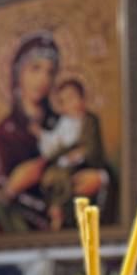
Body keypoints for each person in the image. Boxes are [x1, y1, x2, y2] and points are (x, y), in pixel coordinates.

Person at [0, 32, 110, 234]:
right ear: (17, 73)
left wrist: (101, 179)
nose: (43, 79)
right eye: (35, 69)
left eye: (50, 72)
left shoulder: (69, 123)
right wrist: (11, 189)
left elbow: (96, 160)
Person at [37, 79, 109, 230]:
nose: (70, 104)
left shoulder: (90, 120)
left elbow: (93, 146)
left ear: (82, 98)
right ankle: (55, 208)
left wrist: (80, 154)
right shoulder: (65, 122)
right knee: (51, 176)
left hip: (86, 163)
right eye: (64, 101)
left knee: (68, 180)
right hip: (65, 162)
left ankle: (61, 210)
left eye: (72, 97)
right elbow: (58, 144)